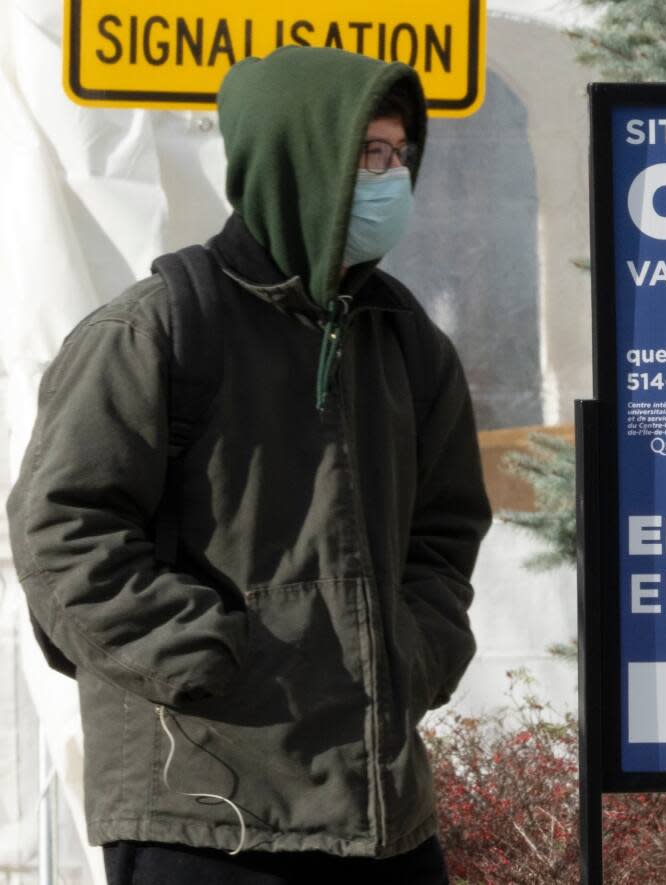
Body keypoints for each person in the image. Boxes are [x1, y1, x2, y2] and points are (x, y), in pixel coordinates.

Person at [6, 46, 491, 885]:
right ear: (297, 154)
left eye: (398, 155)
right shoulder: (156, 331)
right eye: (366, 152)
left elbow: (445, 533)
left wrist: (415, 653)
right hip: (204, 811)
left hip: (378, 811)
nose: (389, 177)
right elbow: (61, 530)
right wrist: (200, 657)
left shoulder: (407, 343)